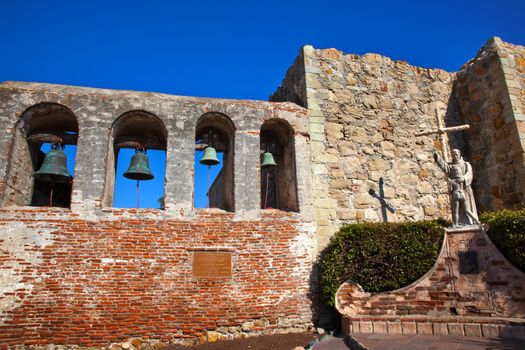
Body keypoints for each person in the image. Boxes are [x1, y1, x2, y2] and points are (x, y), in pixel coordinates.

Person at [433, 149, 480, 227]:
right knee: (458, 210)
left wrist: (464, 179)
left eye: (456, 154)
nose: (455, 156)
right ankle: (458, 223)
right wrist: (438, 157)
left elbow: (469, 174)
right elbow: (443, 165)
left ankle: (471, 222)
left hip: (466, 189)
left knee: (466, 208)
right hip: (459, 192)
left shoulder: (466, 164)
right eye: (453, 155)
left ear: (459, 154)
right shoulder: (451, 166)